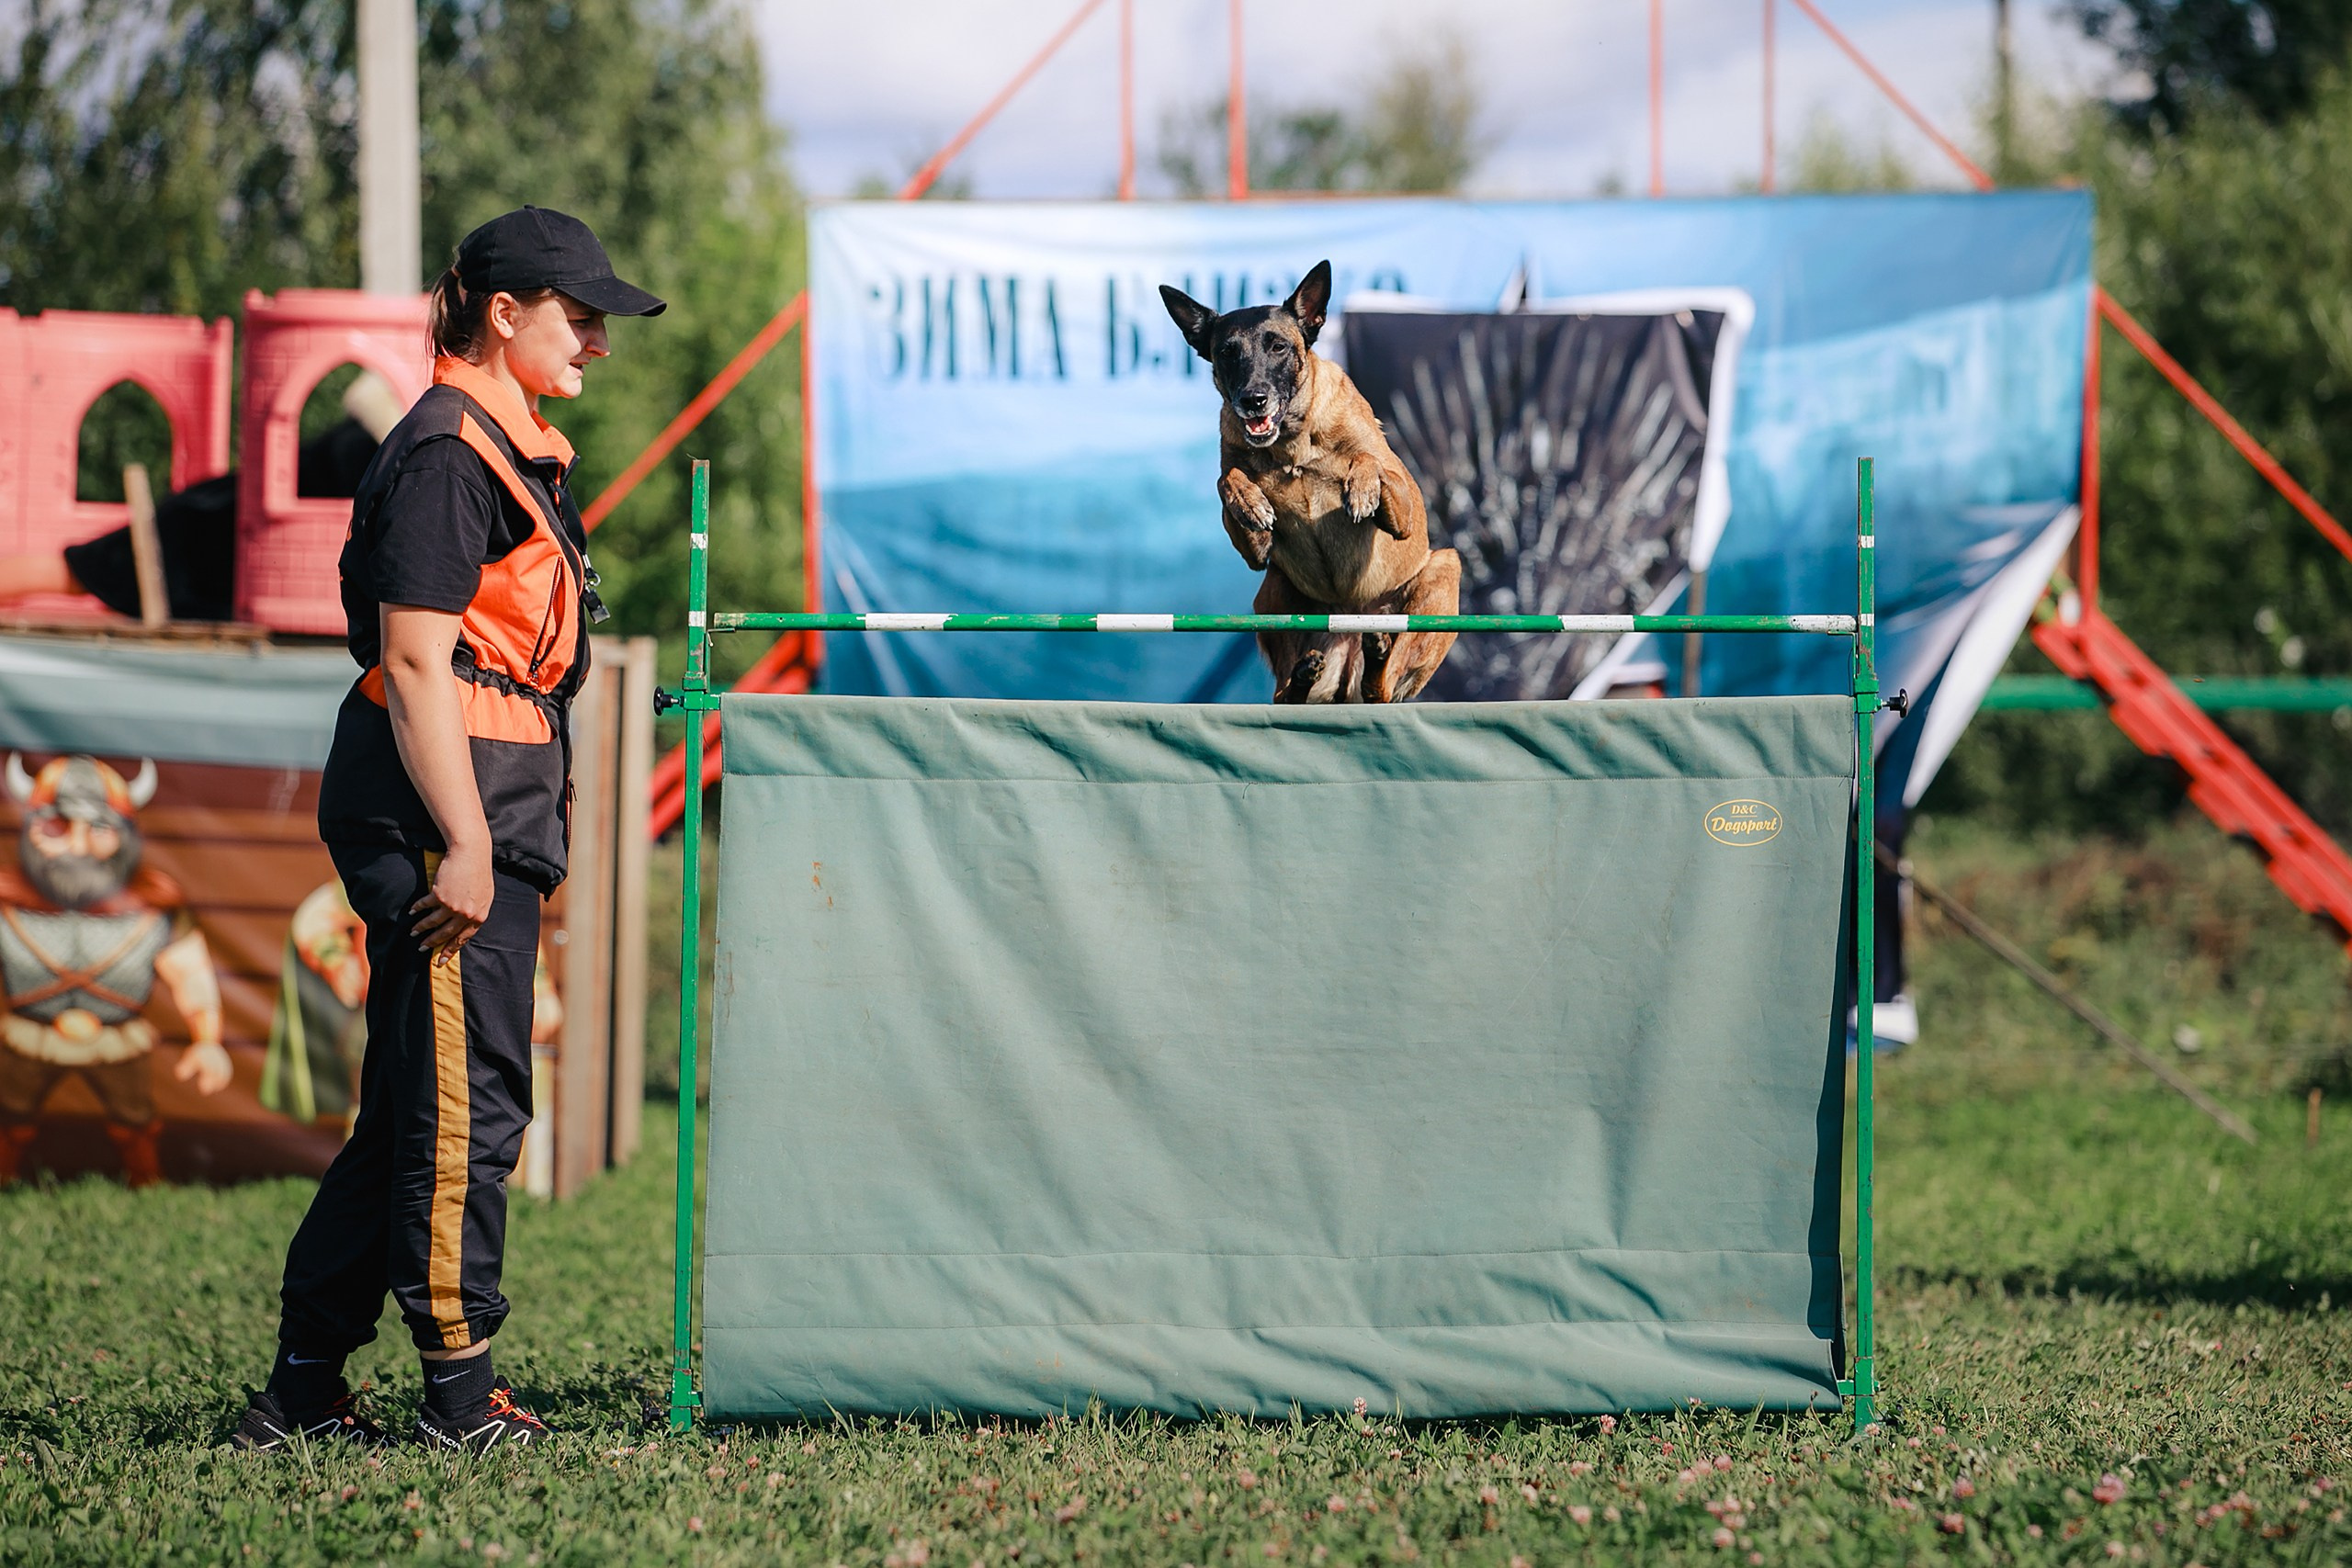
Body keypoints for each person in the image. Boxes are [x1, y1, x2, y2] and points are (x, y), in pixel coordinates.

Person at [234, 207, 663, 1453]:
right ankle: (460, 1402)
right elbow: (419, 663)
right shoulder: (445, 453)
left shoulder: (498, 447)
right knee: (469, 1111)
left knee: (411, 1112)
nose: (597, 341)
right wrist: (465, 842)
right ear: (503, 312)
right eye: (580, 317)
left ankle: (303, 1394)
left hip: (475, 804)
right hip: (442, 817)